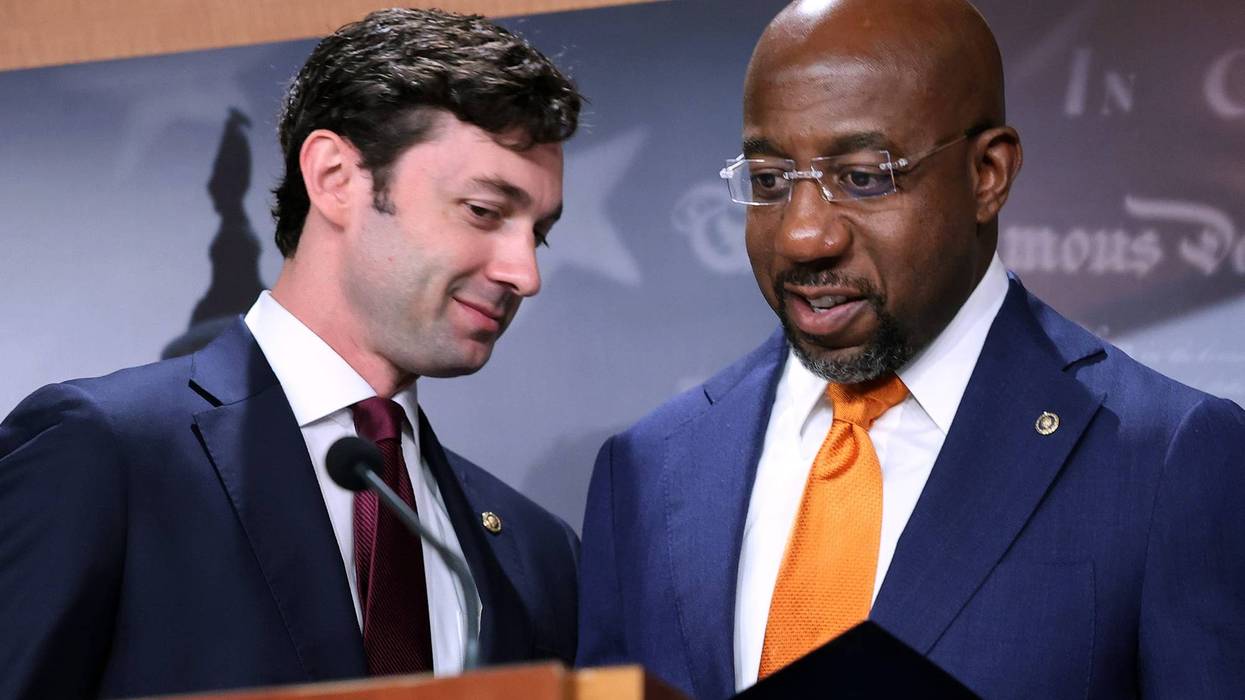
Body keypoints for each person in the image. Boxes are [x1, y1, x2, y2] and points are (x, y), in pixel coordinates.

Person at [576, 0, 1245, 697]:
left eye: (863, 177)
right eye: (770, 181)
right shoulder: (649, 469)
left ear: (988, 174)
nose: (802, 236)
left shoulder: (1165, 458)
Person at [0, 8, 582, 699]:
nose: (525, 273)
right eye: (484, 211)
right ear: (336, 176)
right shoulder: (104, 453)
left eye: (537, 233)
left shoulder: (535, 551)